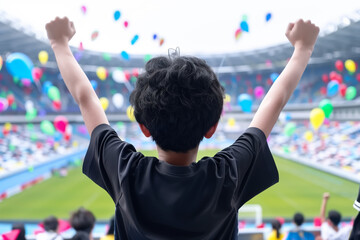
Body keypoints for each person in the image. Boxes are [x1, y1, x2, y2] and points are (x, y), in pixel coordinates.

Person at [45, 16, 319, 239]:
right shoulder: (228, 175)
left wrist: (59, 43)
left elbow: (85, 98)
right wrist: (303, 49)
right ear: (212, 128)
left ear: (144, 128)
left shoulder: (125, 171)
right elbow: (275, 102)